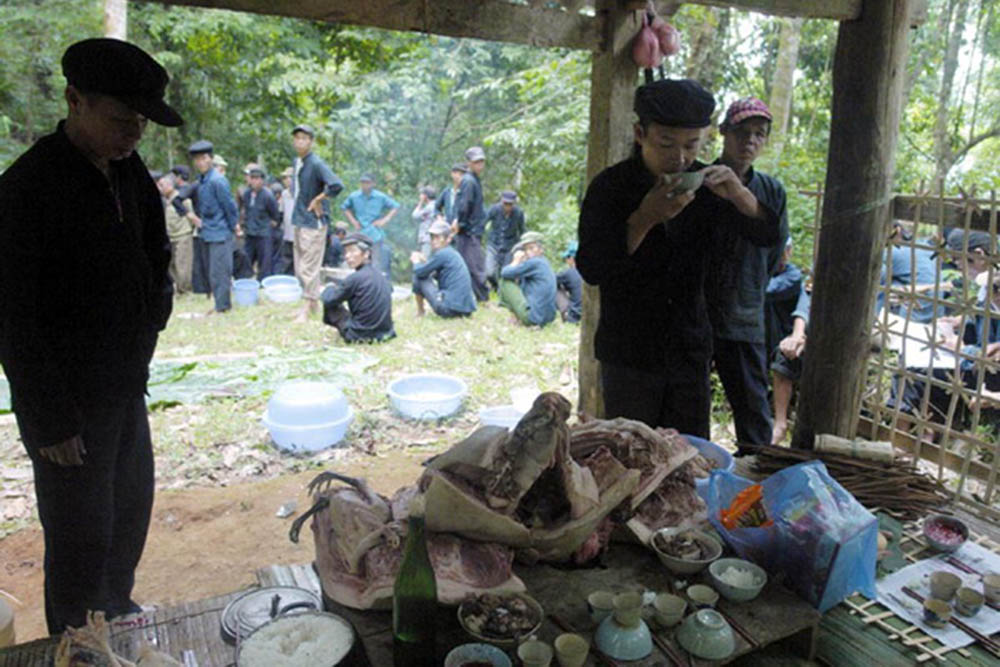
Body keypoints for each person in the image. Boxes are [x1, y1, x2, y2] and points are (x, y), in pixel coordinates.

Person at [0, 38, 178, 634]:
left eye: (141, 123)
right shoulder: (28, 188)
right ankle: (76, 639)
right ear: (76, 100)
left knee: (128, 513)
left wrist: (154, 314)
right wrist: (48, 417)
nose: (133, 133)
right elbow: (11, 314)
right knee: (79, 534)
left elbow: (156, 251)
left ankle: (117, 615)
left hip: (126, 386)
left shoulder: (129, 173)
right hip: (69, 407)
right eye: (121, 119)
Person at [576, 79, 782, 437]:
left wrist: (739, 194)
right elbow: (592, 268)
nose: (681, 157)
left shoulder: (707, 185)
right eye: (667, 144)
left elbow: (766, 236)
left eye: (692, 144)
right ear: (641, 134)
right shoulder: (609, 187)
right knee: (632, 456)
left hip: (689, 348)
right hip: (629, 351)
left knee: (688, 459)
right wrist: (644, 217)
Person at [704, 98, 789, 452]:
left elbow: (775, 253)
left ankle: (753, 490)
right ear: (723, 132)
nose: (749, 141)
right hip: (698, 313)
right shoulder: (700, 180)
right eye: (741, 132)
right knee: (688, 408)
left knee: (753, 412)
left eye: (759, 134)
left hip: (745, 312)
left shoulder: (771, 191)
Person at [290, 123, 344, 322]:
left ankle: (306, 307)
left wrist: (319, 199)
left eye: (304, 138)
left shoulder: (316, 163)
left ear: (311, 142)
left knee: (308, 267)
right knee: (299, 265)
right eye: (297, 138)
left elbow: (337, 185)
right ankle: (311, 305)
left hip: (314, 222)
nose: (300, 142)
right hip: (300, 218)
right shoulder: (299, 162)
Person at [764, 240, 810, 444]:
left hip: (787, 339)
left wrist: (797, 336)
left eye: (784, 251)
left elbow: (765, 292)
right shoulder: (765, 273)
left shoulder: (792, 276)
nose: (781, 256)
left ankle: (780, 424)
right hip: (768, 337)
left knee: (786, 355)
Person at [189, 140, 238, 313]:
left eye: (204, 158)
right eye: (197, 159)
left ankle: (223, 307)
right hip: (207, 232)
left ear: (211, 159)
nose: (200, 162)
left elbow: (230, 207)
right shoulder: (202, 181)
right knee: (212, 272)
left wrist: (233, 228)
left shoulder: (218, 180)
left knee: (220, 272)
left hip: (221, 232)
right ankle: (218, 303)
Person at [320, 232, 396, 342]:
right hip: (385, 333)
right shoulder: (381, 275)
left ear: (366, 254)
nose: (347, 256)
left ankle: (349, 332)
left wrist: (328, 288)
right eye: (346, 252)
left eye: (352, 251)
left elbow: (328, 300)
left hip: (359, 336)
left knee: (330, 303)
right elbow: (390, 290)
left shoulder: (354, 278)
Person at [411, 219, 476, 318]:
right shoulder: (451, 253)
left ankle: (421, 312)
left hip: (448, 309)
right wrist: (424, 263)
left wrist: (416, 261)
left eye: (437, 237)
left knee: (418, 277)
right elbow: (434, 273)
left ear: (448, 239)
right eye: (432, 237)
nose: (433, 240)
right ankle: (421, 311)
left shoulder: (443, 253)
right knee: (421, 274)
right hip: (466, 310)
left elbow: (420, 272)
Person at [341, 174, 400, 280]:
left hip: (375, 233)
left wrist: (385, 220)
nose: (365, 185)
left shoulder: (380, 196)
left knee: (376, 260)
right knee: (359, 258)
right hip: (360, 233)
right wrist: (353, 221)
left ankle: (375, 282)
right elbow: (344, 207)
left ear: (373, 184)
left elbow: (395, 206)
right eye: (363, 183)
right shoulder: (354, 196)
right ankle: (360, 281)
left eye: (367, 183)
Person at [498, 231, 558, 327]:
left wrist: (516, 260)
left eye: (531, 248)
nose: (528, 252)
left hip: (533, 319)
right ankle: (518, 316)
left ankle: (515, 316)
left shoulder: (534, 263)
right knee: (520, 281)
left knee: (505, 281)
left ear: (540, 249)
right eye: (526, 249)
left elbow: (505, 273)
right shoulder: (544, 262)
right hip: (547, 319)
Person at [453, 146, 490, 301]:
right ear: (468, 163)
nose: (480, 165)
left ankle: (474, 296)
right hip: (468, 231)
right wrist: (459, 223)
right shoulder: (468, 181)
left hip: (472, 230)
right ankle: (482, 297)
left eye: (481, 162)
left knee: (469, 264)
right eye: (476, 162)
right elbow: (464, 206)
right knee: (476, 265)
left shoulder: (474, 179)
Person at [157, 171, 195, 294]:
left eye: (162, 185)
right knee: (171, 264)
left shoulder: (182, 199)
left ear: (170, 186)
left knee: (183, 264)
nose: (160, 188)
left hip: (183, 235)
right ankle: (177, 288)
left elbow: (191, 216)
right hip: (171, 236)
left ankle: (185, 289)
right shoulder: (165, 201)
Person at [241, 167, 280, 280]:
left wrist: (269, 225)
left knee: (264, 261)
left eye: (257, 178)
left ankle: (263, 283)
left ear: (262, 181)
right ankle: (245, 280)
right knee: (246, 258)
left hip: (263, 233)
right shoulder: (247, 194)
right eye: (252, 178)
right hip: (250, 232)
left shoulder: (268, 196)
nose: (254, 181)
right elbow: (246, 211)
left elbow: (275, 215)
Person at [484, 190, 526, 291]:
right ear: (501, 201)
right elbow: (483, 221)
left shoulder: (519, 213)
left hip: (509, 246)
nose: (507, 207)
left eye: (510, 204)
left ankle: (501, 291)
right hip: (493, 244)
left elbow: (522, 231)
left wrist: (523, 247)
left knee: (506, 273)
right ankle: (495, 285)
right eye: (505, 204)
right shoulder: (494, 209)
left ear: (514, 203)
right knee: (489, 272)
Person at [556, 240, 583, 324]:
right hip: (593, 315)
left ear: (571, 258)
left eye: (566, 258)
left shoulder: (569, 273)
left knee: (554, 288)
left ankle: (565, 313)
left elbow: (549, 280)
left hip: (574, 318)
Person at [275, 166, 295, 275]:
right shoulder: (284, 194)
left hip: (299, 234)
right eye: (284, 178)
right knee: (287, 261)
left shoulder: (302, 193)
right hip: (287, 234)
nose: (286, 180)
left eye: (288, 178)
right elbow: (280, 212)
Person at [412, 186, 437, 257]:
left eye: (422, 194)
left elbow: (415, 215)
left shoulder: (429, 207)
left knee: (425, 260)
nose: (420, 196)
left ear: (425, 196)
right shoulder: (435, 205)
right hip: (432, 238)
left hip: (427, 239)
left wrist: (420, 202)